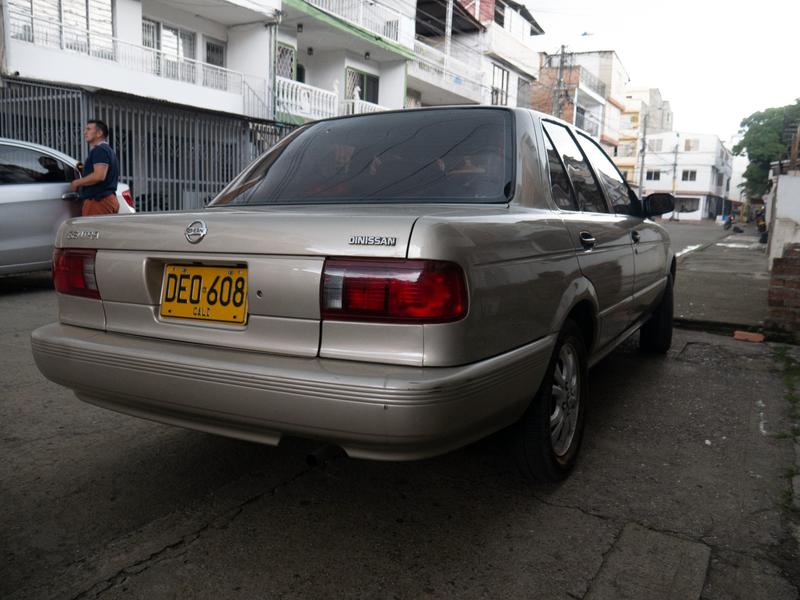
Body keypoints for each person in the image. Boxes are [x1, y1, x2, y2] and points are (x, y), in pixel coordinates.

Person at [70, 119, 119, 216]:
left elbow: (99, 176)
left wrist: (76, 183)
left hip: (98, 201)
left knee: (93, 231)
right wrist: (86, 168)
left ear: (99, 133)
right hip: (106, 199)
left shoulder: (100, 150)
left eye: (88, 129)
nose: (84, 132)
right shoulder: (106, 150)